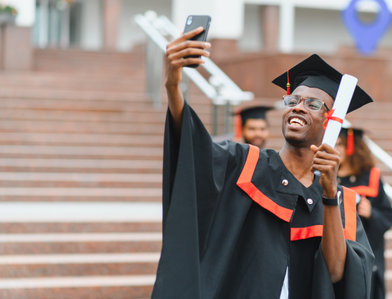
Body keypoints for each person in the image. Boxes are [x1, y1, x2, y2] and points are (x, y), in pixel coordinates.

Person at [152, 26, 375, 299]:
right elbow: (191, 147)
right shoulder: (244, 164)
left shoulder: (342, 201)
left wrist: (329, 195)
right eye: (293, 100)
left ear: (332, 123)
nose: (298, 107)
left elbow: (339, 273)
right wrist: (173, 85)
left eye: (313, 104)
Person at [336, 128, 392, 299]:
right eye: (334, 144)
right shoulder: (324, 175)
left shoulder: (369, 178)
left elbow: (387, 215)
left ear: (353, 148)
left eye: (340, 145)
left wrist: (371, 213)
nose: (336, 149)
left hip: (363, 250)